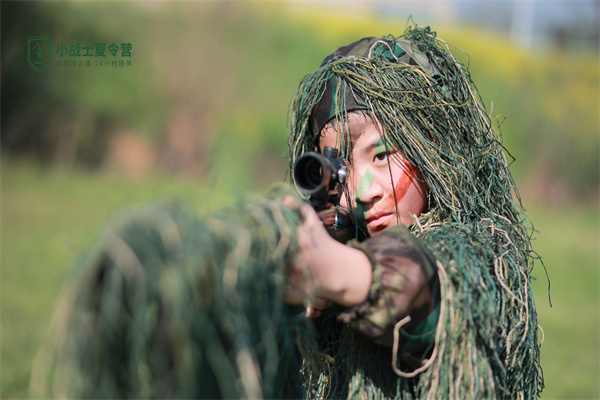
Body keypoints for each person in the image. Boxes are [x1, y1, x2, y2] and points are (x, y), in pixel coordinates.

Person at [282, 25, 544, 399]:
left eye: (382, 155)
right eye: (340, 168)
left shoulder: (485, 252)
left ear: (432, 147)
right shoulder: (347, 237)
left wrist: (331, 270)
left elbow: (423, 288)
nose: (361, 192)